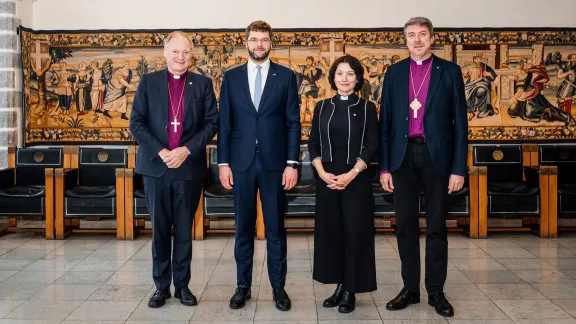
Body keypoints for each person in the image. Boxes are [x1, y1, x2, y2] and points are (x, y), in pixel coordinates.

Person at [378, 17, 468, 317]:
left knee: (437, 227)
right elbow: (386, 123)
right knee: (405, 225)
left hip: (437, 157)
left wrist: (459, 169)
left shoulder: (450, 72)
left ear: (432, 38)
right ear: (405, 40)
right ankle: (410, 289)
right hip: (403, 157)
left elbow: (460, 127)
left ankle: (437, 291)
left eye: (422, 35)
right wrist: (385, 168)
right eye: (411, 35)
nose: (417, 40)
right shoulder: (394, 73)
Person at [129, 31, 219, 308]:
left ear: (192, 55)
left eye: (186, 52)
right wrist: (162, 151)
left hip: (188, 168)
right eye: (176, 52)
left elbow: (212, 123)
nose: (181, 57)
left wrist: (185, 150)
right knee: (158, 230)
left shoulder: (202, 84)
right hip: (156, 167)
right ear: (165, 53)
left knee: (183, 229)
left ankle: (182, 286)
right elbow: (137, 124)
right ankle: (160, 287)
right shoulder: (148, 82)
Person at [218, 20, 301, 311]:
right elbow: (225, 123)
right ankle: (243, 287)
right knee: (243, 228)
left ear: (271, 43)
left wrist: (292, 164)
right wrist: (223, 162)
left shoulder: (287, 77)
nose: (259, 45)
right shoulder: (231, 78)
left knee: (276, 228)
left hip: (275, 164)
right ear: (247, 43)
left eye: (264, 39)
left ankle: (279, 288)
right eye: (254, 39)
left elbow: (293, 123)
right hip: (240, 164)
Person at [308, 54, 378, 313]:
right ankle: (339, 284)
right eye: (339, 73)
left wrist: (351, 174)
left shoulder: (368, 108)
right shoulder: (322, 106)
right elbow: (313, 142)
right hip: (326, 179)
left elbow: (372, 145)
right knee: (332, 234)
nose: (345, 78)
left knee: (355, 234)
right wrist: (322, 172)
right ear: (333, 78)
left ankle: (351, 289)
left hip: (356, 180)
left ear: (358, 78)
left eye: (350, 73)